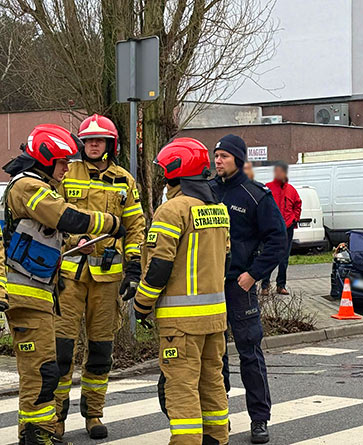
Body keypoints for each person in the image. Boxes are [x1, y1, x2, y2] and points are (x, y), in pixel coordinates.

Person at [1, 124, 124, 445]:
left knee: (43, 370)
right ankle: (37, 435)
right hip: (25, 298)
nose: (67, 168)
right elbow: (64, 216)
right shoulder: (29, 187)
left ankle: (36, 434)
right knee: (41, 371)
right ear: (45, 160)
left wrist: (77, 240)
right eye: (62, 162)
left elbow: (50, 231)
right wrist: (109, 223)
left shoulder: (36, 184)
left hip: (38, 296)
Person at [131, 138, 230, 445]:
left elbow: (160, 266)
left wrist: (141, 305)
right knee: (212, 381)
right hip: (215, 319)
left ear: (175, 169)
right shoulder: (218, 210)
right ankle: (217, 439)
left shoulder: (171, 211)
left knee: (181, 387)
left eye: (164, 168)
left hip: (181, 322)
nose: (162, 174)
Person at [54, 114, 146, 439]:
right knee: (62, 349)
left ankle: (93, 414)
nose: (93, 144)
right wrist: (70, 239)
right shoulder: (67, 173)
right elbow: (52, 216)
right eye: (89, 139)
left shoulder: (124, 180)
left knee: (100, 350)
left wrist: (134, 265)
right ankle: (56, 419)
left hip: (107, 277)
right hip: (69, 273)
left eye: (99, 140)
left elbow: (135, 226)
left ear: (110, 144)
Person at [210, 134, 286, 444]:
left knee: (250, 353)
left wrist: (253, 274)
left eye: (224, 157)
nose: (218, 161)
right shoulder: (207, 192)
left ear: (238, 160)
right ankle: (218, 416)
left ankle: (259, 419)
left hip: (239, 287)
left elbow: (278, 239)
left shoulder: (255, 195)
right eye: (216, 156)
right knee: (214, 355)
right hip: (208, 288)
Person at [261, 162, 301, 296]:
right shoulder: (268, 188)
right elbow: (261, 206)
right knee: (268, 255)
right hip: (271, 228)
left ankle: (281, 285)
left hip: (287, 228)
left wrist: (295, 218)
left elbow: (297, 204)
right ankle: (265, 286)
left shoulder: (291, 189)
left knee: (284, 259)